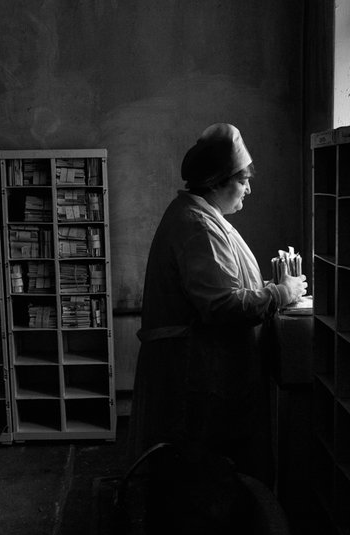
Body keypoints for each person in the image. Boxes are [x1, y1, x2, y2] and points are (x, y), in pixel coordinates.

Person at [127, 123, 307, 488]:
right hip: (193, 371)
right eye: (242, 181)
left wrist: (269, 288)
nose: (249, 188)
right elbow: (222, 305)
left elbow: (227, 284)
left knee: (201, 470)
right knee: (198, 472)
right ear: (216, 181)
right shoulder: (198, 226)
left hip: (200, 366)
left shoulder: (204, 218)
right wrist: (282, 294)